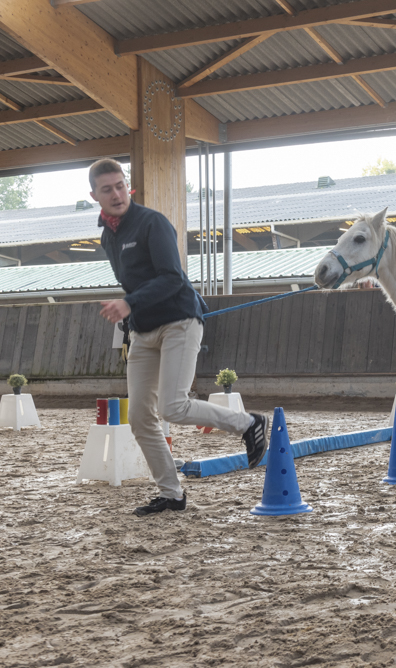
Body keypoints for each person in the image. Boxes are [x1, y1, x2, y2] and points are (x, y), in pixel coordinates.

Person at [90, 158, 269, 516]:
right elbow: (134, 283)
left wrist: (128, 303)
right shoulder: (108, 236)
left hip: (180, 322)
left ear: (130, 188)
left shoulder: (151, 223)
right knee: (140, 417)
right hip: (142, 331)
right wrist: (129, 318)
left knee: (173, 406)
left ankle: (249, 423)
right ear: (94, 195)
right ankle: (171, 494)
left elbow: (172, 277)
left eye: (121, 185)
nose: (116, 193)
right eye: (107, 189)